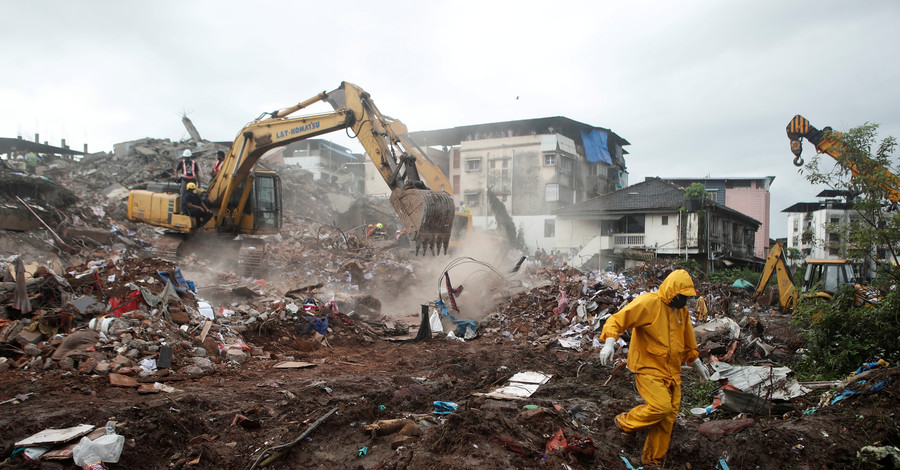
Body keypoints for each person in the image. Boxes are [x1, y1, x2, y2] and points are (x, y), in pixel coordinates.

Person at [598, 269, 709, 466]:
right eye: (681, 296)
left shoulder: (681, 311)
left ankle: (652, 461)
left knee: (667, 418)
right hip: (647, 367)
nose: (684, 301)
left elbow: (687, 339)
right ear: (672, 292)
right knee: (661, 407)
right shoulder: (649, 303)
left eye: (686, 297)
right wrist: (609, 343)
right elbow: (617, 320)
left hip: (672, 372)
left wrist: (696, 361)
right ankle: (624, 422)